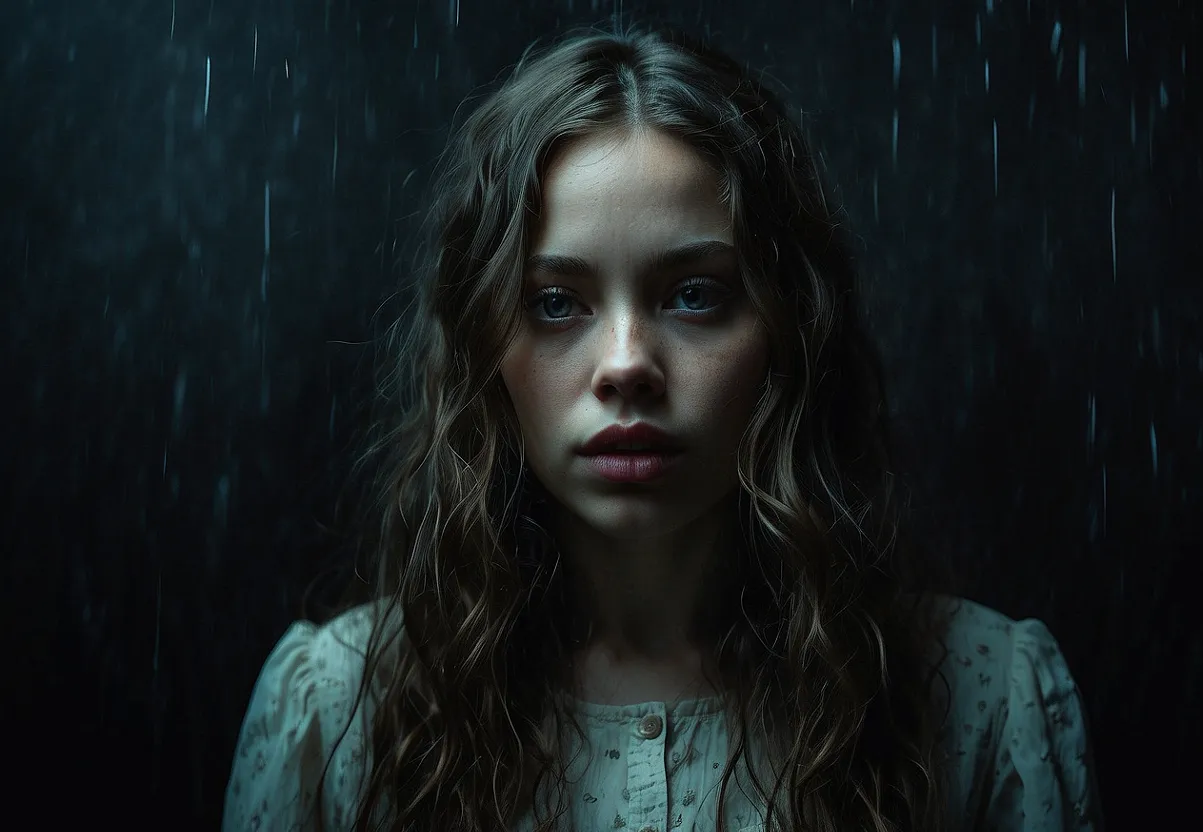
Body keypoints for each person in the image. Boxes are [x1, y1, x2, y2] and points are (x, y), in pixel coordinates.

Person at [223, 24, 1102, 832]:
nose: (626, 362)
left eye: (694, 294)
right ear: (482, 347)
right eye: (556, 303)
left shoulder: (979, 700)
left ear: (789, 332)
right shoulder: (339, 712)